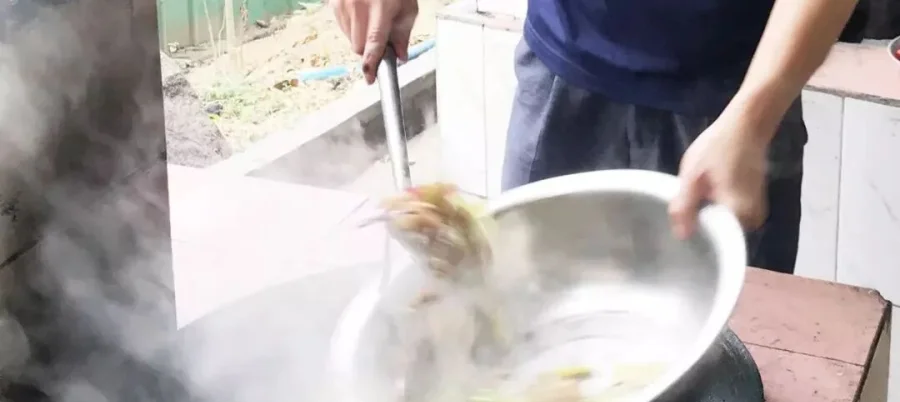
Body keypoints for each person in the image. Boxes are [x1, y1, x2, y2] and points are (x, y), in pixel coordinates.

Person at [330, 0, 860, 274]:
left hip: (735, 103)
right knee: (521, 306)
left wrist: (754, 114)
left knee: (734, 357)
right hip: (562, 71)